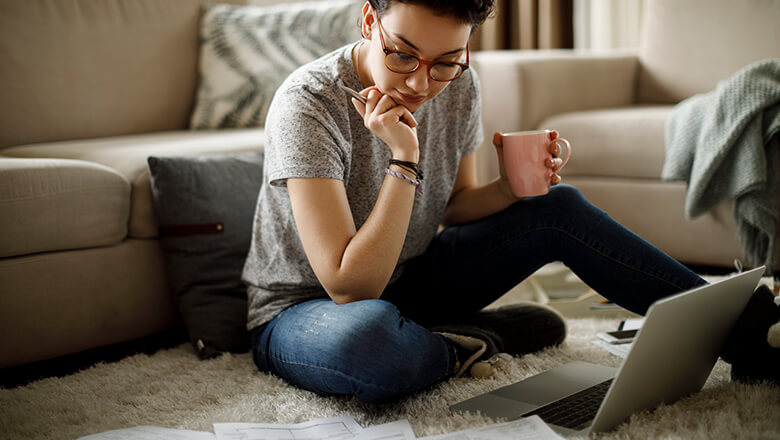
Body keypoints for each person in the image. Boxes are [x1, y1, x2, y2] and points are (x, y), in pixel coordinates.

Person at [242, 0, 778, 403]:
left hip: (413, 278)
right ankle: (471, 341)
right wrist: (404, 159)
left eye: (447, 60)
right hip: (307, 309)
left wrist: (510, 189)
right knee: (370, 347)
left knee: (558, 207)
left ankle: (753, 327)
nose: (420, 82)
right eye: (402, 54)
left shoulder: (457, 85)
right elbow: (349, 285)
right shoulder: (309, 103)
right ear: (368, 21)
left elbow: (453, 207)